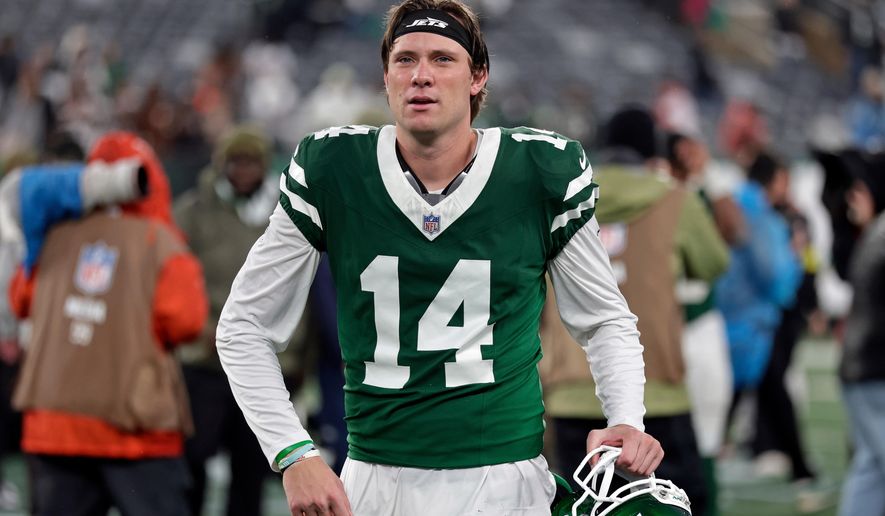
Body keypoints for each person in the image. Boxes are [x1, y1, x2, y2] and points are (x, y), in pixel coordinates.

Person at [216, 1, 663, 515]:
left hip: (504, 480)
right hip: (374, 479)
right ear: (385, 77)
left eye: (442, 59)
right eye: (405, 59)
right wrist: (292, 454)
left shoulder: (540, 171)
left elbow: (605, 318)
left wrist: (627, 417)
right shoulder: (334, 168)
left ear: (478, 77)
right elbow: (243, 325)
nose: (421, 75)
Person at [540, 107, 729, 516]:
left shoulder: (559, 198)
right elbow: (714, 264)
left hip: (571, 388)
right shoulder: (677, 201)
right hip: (655, 389)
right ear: (652, 153)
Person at [8, 131, 207, 516]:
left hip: (55, 427)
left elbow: (20, 300)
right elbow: (187, 321)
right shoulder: (161, 242)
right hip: (135, 432)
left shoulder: (53, 234)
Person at [174, 126, 299, 516]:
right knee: (192, 464)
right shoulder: (193, 212)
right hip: (204, 361)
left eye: (251, 161)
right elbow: (175, 277)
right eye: (236, 161)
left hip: (266, 364)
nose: (244, 170)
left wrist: (297, 355)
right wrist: (202, 327)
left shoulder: (286, 209)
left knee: (251, 472)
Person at [837, 159, 885, 516]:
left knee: (871, 469)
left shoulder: (877, 233)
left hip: (862, 368)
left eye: (862, 188)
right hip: (874, 370)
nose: (854, 197)